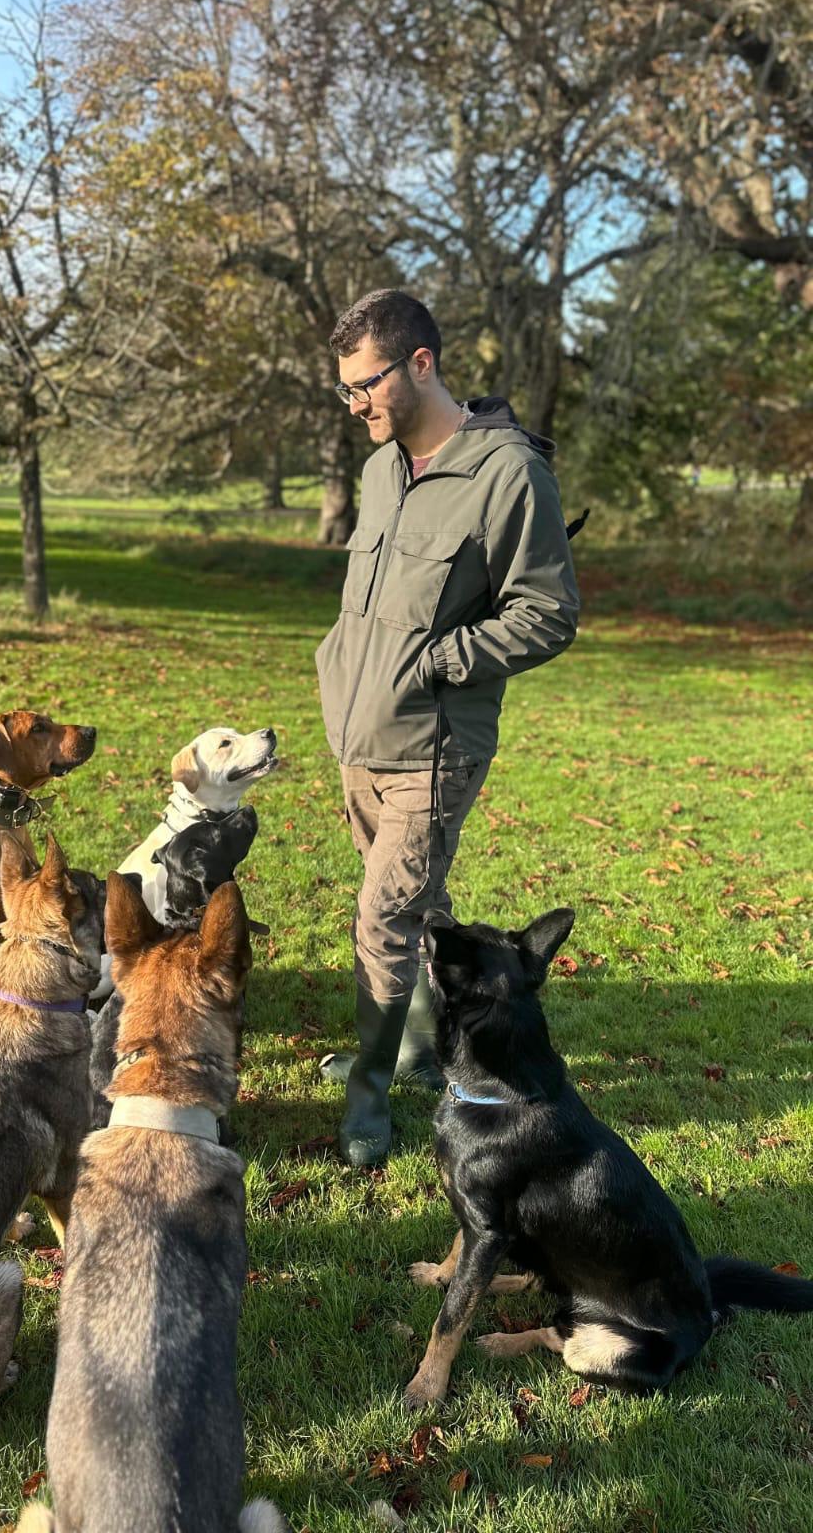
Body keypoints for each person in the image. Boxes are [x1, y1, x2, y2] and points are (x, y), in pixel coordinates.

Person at [315, 289, 580, 1167]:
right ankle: (421, 1047)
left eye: (366, 385)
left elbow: (548, 612)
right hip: (360, 738)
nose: (356, 404)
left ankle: (368, 1098)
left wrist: (441, 660)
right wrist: (340, 668)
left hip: (433, 750)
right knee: (417, 910)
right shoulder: (381, 469)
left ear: (420, 364)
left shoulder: (508, 474)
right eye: (345, 390)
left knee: (383, 917)